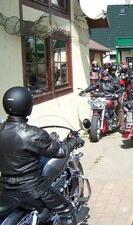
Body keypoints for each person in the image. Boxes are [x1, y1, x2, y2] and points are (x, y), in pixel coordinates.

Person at [0, 86, 84, 225]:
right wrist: (74, 141)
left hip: (5, 187)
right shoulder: (33, 133)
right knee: (66, 210)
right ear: (27, 105)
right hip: (33, 189)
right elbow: (60, 151)